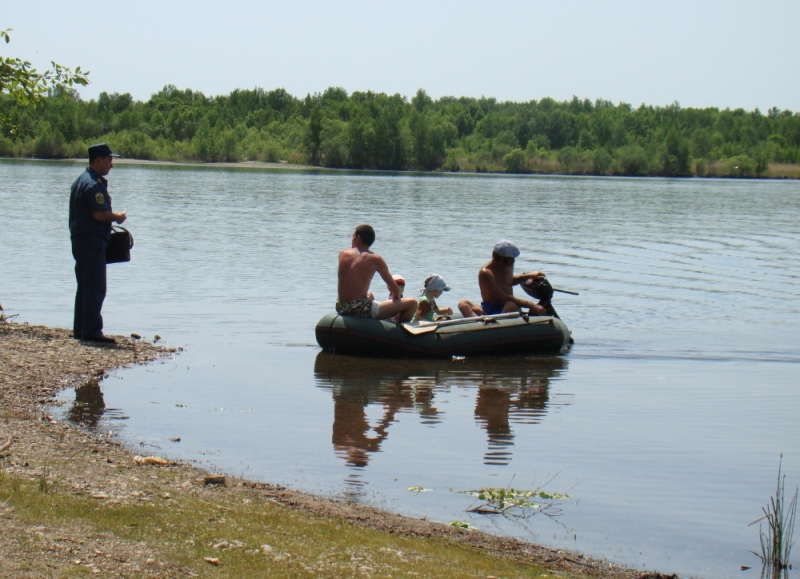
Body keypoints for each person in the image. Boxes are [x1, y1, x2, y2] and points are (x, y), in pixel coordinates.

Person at [69, 143, 126, 343]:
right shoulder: (93, 184)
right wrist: (117, 216)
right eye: (110, 160)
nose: (112, 164)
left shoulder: (81, 181)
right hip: (91, 242)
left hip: (80, 241)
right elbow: (99, 213)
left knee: (84, 286)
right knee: (95, 287)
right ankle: (92, 331)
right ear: (99, 160)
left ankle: (81, 330)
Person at [336, 224, 417, 323]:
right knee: (413, 303)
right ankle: (397, 332)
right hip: (360, 309)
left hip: (341, 307)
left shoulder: (342, 254)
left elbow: (351, 285)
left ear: (358, 238)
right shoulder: (375, 259)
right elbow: (395, 289)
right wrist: (396, 307)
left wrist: (365, 295)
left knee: (369, 296)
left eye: (352, 237)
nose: (351, 240)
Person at [457, 239, 548, 318]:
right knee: (463, 303)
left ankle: (493, 324)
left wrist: (530, 275)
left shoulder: (507, 266)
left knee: (511, 305)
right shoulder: (486, 273)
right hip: (489, 308)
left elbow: (508, 281)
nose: (513, 261)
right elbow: (503, 297)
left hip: (506, 308)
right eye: (511, 259)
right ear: (501, 260)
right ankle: (479, 325)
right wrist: (531, 305)